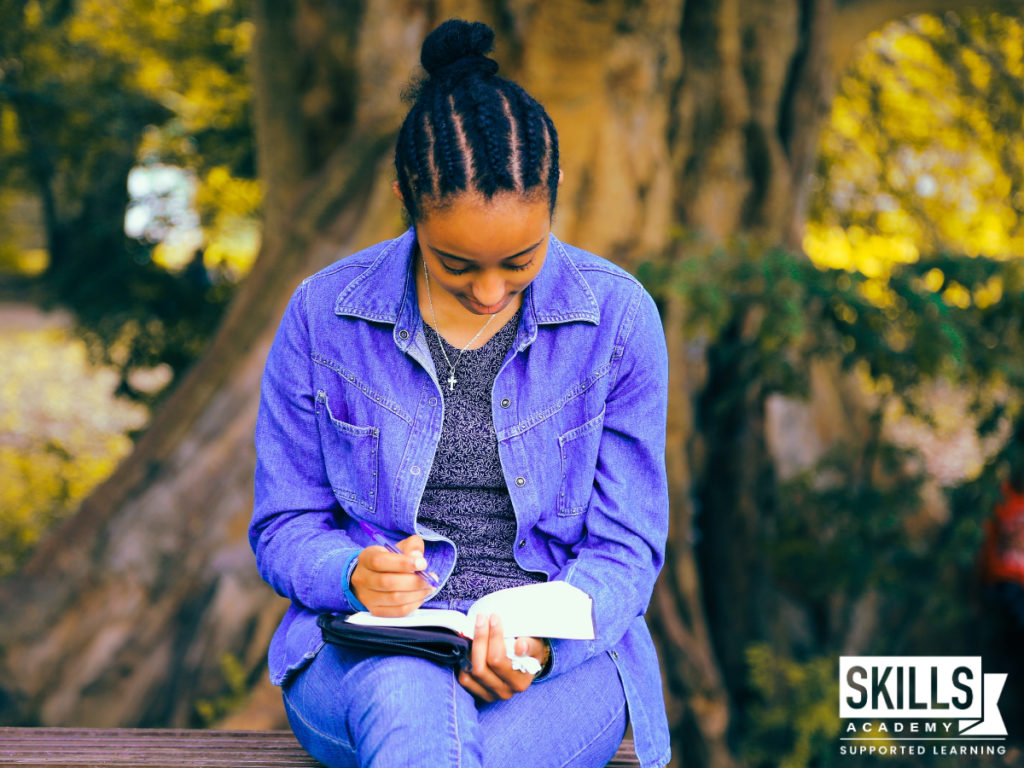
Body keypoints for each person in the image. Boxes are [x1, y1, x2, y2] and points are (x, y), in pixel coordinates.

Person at [249, 18, 670, 768]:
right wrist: (350, 573)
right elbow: (284, 526)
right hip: (364, 659)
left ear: (554, 194)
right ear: (407, 195)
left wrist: (539, 639)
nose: (489, 291)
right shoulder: (324, 315)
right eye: (456, 265)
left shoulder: (617, 318)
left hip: (558, 665)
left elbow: (627, 545)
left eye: (520, 260)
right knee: (411, 702)